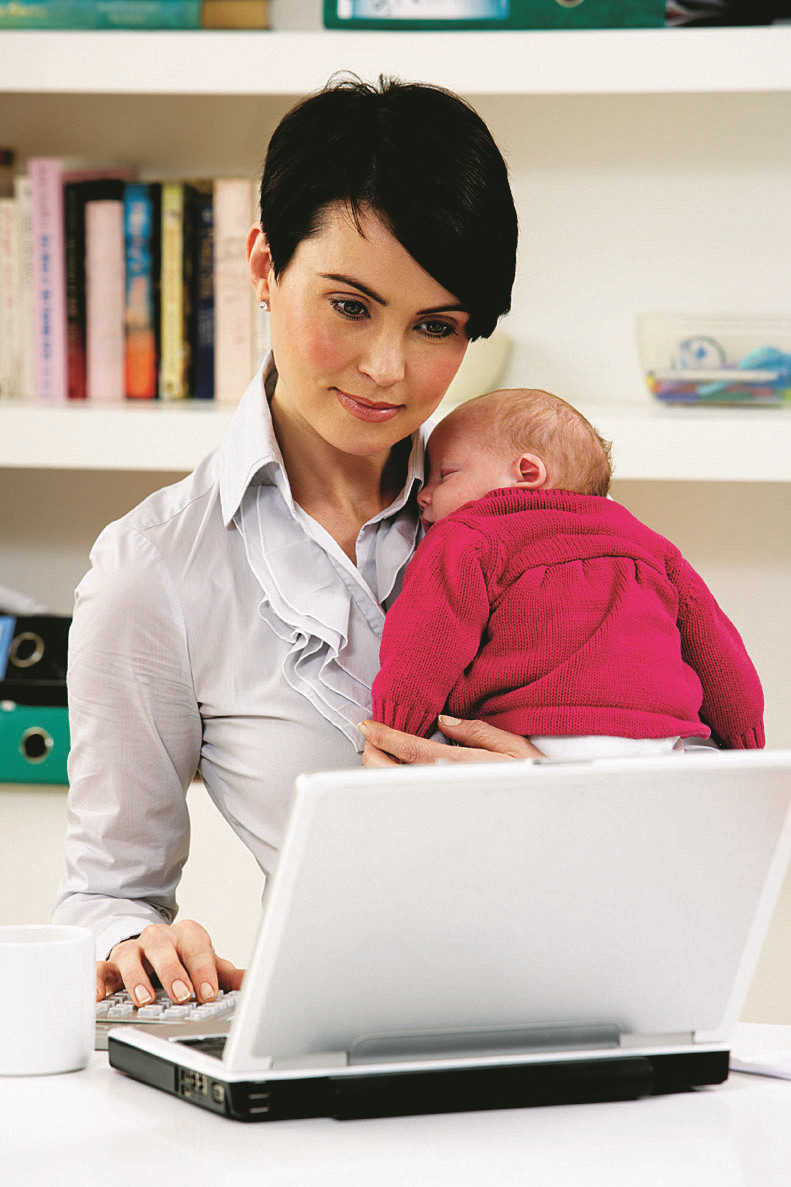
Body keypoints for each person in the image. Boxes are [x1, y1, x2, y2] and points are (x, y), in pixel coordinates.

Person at [52, 76, 538, 1009]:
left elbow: (672, 781)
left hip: (578, 1019)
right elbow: (106, 889)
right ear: (264, 266)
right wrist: (135, 944)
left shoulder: (532, 512)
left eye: (436, 326)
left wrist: (551, 799)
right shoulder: (154, 569)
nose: (387, 368)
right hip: (330, 1041)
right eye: (350, 306)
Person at [371, 387, 765, 757]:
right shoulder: (652, 544)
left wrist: (398, 724)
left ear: (527, 474)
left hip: (538, 731)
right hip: (659, 738)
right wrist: (744, 739)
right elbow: (718, 649)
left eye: (445, 474)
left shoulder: (468, 534)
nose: (424, 494)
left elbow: (429, 634)